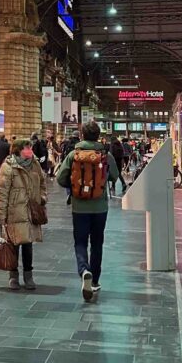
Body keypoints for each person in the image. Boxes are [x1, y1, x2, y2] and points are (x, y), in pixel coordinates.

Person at [57, 120, 119, 302]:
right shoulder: (105, 155)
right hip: (100, 207)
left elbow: (61, 178)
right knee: (97, 243)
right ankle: (95, 280)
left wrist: (75, 187)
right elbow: (115, 176)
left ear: (82, 135)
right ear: (99, 135)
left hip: (79, 207)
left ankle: (84, 270)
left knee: (80, 242)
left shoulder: (73, 155)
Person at [0, 138, 46, 291]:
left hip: (30, 211)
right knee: (13, 245)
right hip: (14, 212)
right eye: (26, 148)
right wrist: (1, 214)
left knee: (28, 244)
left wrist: (42, 198)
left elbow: (42, 183)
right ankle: (13, 275)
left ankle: (28, 275)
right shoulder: (8, 167)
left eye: (30, 147)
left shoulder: (35, 165)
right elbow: (2, 192)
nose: (30, 150)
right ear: (17, 150)